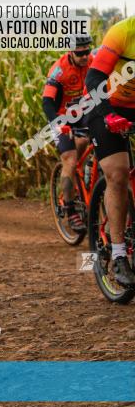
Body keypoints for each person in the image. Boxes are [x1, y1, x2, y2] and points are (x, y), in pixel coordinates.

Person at [85, 17, 135, 284]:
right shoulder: (123, 32)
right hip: (106, 105)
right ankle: (118, 256)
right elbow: (93, 78)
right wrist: (107, 115)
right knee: (117, 174)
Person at [43, 36, 94, 231]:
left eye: (86, 52)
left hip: (82, 113)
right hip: (61, 118)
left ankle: (87, 174)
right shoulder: (59, 70)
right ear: (70, 52)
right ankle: (70, 208)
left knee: (90, 142)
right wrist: (57, 124)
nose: (84, 56)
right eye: (79, 53)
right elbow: (47, 102)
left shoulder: (93, 62)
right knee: (70, 160)